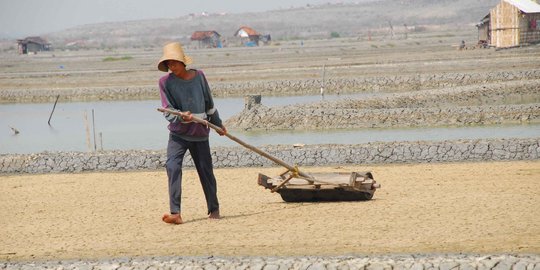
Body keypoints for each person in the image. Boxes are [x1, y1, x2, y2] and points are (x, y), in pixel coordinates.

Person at [157, 42, 226, 224]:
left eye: (175, 63)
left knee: (206, 171)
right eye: (169, 64)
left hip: (199, 133)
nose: (172, 67)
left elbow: (209, 104)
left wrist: (218, 124)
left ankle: (214, 209)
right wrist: (181, 116)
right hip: (178, 134)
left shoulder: (199, 76)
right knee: (172, 166)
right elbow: (167, 109)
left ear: (183, 62)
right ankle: (176, 213)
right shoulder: (165, 82)